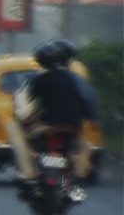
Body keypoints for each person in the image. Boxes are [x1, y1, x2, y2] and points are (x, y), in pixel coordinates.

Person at [7, 39, 95, 190]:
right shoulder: (75, 80)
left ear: (40, 62)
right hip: (71, 129)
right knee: (85, 148)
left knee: (13, 129)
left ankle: (28, 172)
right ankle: (79, 177)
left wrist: (26, 119)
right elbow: (86, 105)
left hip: (47, 127)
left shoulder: (39, 80)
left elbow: (26, 105)